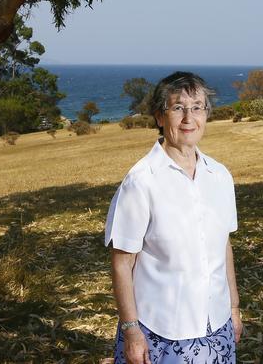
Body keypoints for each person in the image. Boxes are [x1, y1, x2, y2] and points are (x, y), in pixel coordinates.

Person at [104, 71, 243, 364]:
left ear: (207, 114)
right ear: (159, 116)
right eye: (178, 107)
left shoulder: (219, 175)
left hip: (217, 327)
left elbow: (223, 246)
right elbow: (122, 262)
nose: (188, 118)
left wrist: (233, 309)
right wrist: (131, 332)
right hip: (159, 334)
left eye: (197, 107)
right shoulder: (141, 181)